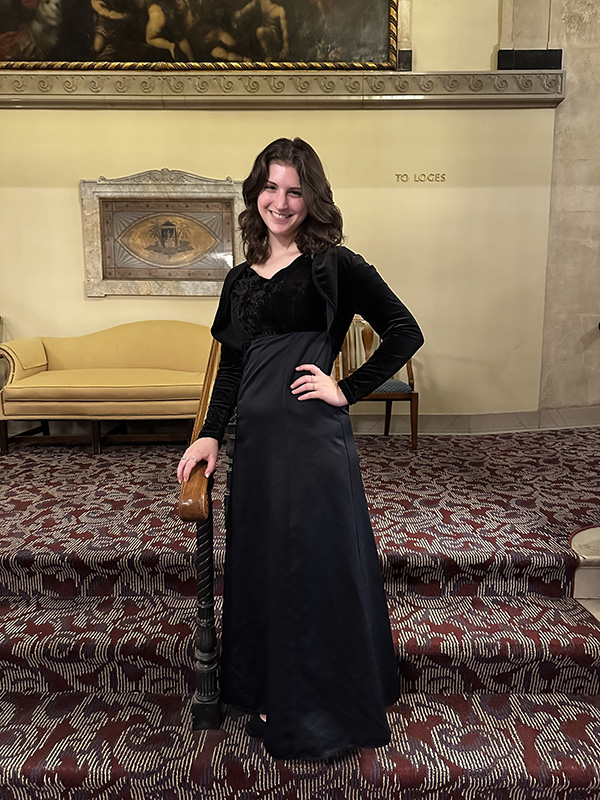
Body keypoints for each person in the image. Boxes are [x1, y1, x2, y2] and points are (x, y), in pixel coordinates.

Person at [177, 137, 423, 760]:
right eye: (271, 188)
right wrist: (209, 432)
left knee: (312, 564)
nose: (281, 202)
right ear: (254, 192)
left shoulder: (334, 265)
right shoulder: (238, 280)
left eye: (295, 190)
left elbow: (404, 330)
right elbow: (231, 368)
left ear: (312, 198)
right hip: (256, 449)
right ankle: (267, 683)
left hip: (313, 446)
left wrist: (347, 389)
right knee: (262, 563)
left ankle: (318, 695)